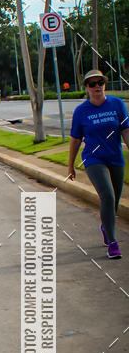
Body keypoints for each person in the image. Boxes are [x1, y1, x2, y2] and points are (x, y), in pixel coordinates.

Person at [68, 69, 129, 259]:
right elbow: (76, 139)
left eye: (100, 82)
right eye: (92, 84)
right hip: (94, 159)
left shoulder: (117, 104)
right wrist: (70, 166)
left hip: (115, 157)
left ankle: (105, 226)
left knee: (115, 201)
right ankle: (112, 242)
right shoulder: (81, 111)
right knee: (108, 197)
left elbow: (126, 131)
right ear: (86, 88)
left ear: (105, 84)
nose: (97, 87)